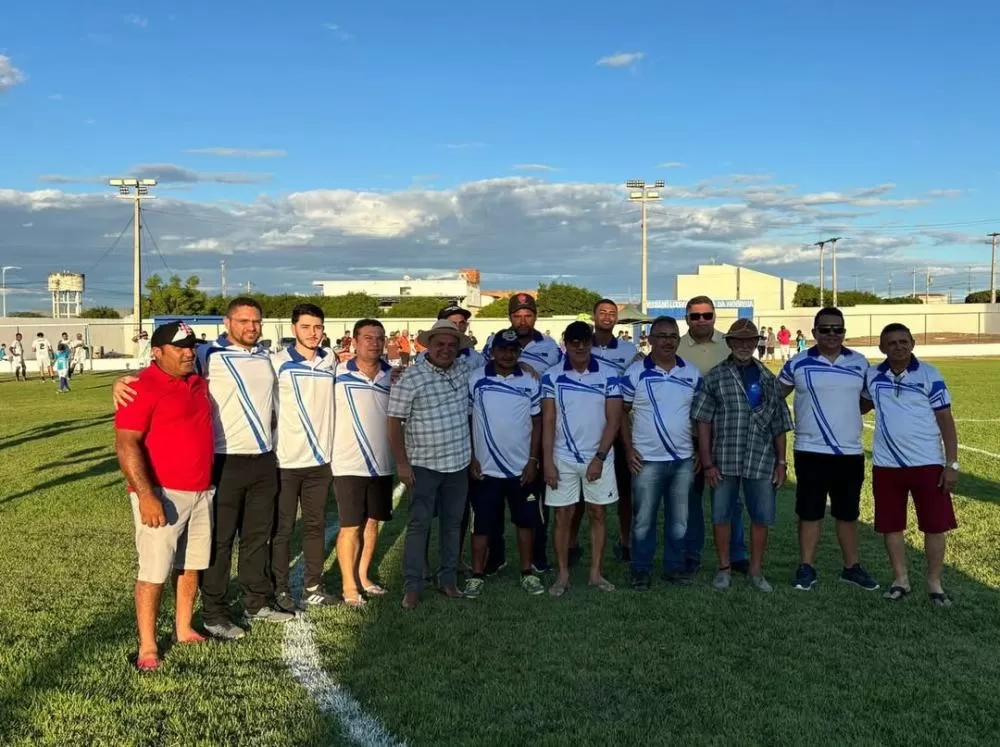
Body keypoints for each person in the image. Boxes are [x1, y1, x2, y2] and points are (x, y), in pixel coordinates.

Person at [114, 297, 291, 639]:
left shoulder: (268, 356)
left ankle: (256, 601)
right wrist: (122, 381)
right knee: (219, 543)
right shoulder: (208, 354)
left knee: (256, 537)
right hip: (224, 460)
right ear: (227, 323)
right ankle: (214, 612)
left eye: (256, 321)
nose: (251, 327)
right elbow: (159, 369)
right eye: (243, 321)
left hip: (261, 459)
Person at [113, 321, 215, 671]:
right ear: (156, 352)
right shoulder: (140, 387)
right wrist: (145, 494)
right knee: (154, 570)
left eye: (191, 346)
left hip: (201, 491)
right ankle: (148, 645)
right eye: (180, 347)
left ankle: (183, 628)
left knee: (190, 565)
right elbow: (126, 444)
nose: (188, 352)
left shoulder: (198, 381)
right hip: (162, 492)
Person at [779, 308, 879, 592]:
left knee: (847, 512)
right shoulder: (797, 363)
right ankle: (806, 567)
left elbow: (866, 402)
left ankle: (852, 567)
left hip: (849, 451)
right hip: (809, 449)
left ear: (844, 332)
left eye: (838, 329)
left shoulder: (860, 363)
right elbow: (776, 396)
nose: (832, 334)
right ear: (814, 332)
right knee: (810, 512)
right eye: (825, 329)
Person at [692, 319, 792, 593]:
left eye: (750, 341)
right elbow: (703, 422)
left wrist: (781, 462)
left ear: (756, 343)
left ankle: (756, 571)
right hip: (724, 459)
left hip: (761, 459)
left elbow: (779, 424)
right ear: (730, 343)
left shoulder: (768, 379)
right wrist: (708, 463)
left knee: (761, 517)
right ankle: (724, 568)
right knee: (721, 515)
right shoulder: (715, 377)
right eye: (739, 340)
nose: (744, 346)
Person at [863, 323, 959, 607]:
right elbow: (860, 405)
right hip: (886, 465)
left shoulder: (930, 374)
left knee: (934, 526)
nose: (898, 347)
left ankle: (934, 583)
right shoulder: (872, 375)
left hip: (927, 463)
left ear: (913, 343)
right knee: (891, 525)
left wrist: (951, 464)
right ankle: (900, 580)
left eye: (903, 341)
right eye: (892, 343)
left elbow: (946, 420)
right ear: (882, 347)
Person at [388, 319, 474, 610]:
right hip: (424, 465)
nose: (445, 350)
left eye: (451, 345)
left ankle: (447, 578)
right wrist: (402, 463)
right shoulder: (410, 377)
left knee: (452, 524)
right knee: (419, 525)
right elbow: (394, 422)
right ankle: (412, 585)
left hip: (458, 462)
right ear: (428, 345)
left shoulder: (465, 369)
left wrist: (524, 366)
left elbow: (498, 363)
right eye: (440, 344)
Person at [619, 316, 702, 590]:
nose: (668, 341)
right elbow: (621, 412)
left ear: (679, 340)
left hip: (682, 460)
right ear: (650, 339)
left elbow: (699, 416)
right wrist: (629, 449)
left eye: (673, 336)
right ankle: (641, 570)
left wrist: (699, 449)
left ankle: (674, 568)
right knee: (643, 520)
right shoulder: (635, 373)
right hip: (647, 460)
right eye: (662, 336)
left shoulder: (691, 372)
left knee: (680, 520)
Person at [541, 321, 623, 597]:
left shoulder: (609, 375)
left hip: (599, 456)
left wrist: (599, 457)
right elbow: (548, 420)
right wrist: (548, 461)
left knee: (597, 513)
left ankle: (595, 573)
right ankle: (562, 574)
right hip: (562, 457)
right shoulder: (551, 376)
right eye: (574, 342)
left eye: (585, 341)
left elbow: (614, 420)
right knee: (562, 515)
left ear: (591, 342)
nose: (580, 347)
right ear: (565, 343)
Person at [483, 293, 563, 573]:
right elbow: (485, 371)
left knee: (535, 501)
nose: (522, 321)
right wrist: (518, 366)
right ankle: (496, 556)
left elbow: (560, 378)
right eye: (517, 316)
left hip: (538, 428)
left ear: (536, 317)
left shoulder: (550, 346)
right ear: (510, 317)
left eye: (528, 315)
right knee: (493, 503)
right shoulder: (494, 342)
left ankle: (538, 557)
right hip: (500, 431)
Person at [464, 328, 545, 598]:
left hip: (521, 469)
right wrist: (472, 457)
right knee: (481, 525)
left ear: (518, 352)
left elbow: (537, 421)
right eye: (502, 349)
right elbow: (467, 419)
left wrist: (533, 460)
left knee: (525, 522)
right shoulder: (476, 379)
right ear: (493, 351)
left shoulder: (530, 381)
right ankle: (477, 575)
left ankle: (527, 572)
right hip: (485, 469)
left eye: (513, 350)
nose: (508, 355)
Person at [270, 303, 339, 613]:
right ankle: (280, 588)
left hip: (320, 462)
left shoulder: (330, 359)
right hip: (285, 462)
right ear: (293, 328)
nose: (313, 333)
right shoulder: (276, 363)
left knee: (315, 525)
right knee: (283, 530)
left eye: (318, 327)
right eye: (306, 327)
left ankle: (313, 586)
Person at [677, 296, 748, 577]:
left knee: (732, 500)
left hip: (727, 437)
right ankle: (691, 554)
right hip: (689, 436)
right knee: (690, 500)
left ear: (715, 316)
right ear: (687, 318)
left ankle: (736, 553)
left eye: (707, 315)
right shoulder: (675, 347)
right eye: (695, 316)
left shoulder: (729, 345)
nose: (701, 321)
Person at [333, 319, 396, 607]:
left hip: (382, 464)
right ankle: (348, 586)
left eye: (379, 338)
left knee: (372, 523)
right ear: (355, 342)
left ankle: (364, 576)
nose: (375, 343)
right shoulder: (337, 374)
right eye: (368, 338)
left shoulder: (392, 376)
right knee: (350, 526)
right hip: (349, 463)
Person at [589, 298, 641, 563]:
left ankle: (625, 540)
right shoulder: (581, 345)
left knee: (625, 488)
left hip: (620, 428)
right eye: (603, 312)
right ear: (594, 316)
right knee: (582, 490)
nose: (607, 317)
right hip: (587, 427)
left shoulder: (628, 350)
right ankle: (573, 543)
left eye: (612, 313)